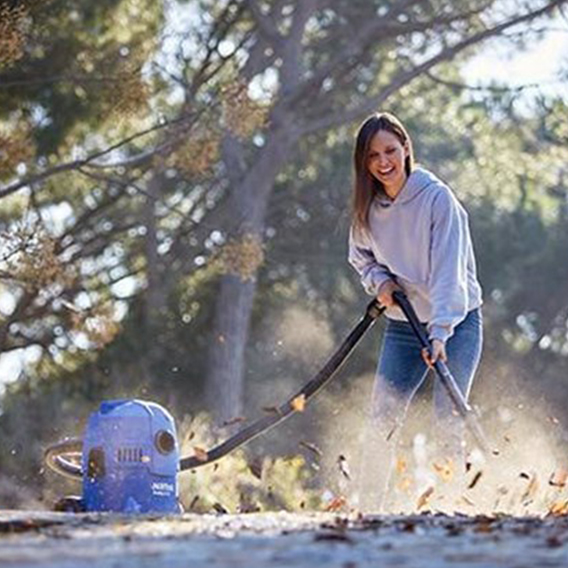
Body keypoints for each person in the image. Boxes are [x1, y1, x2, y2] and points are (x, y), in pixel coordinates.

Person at [348, 111, 483, 512]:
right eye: (373, 156)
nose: (383, 162)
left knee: (448, 416)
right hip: (404, 325)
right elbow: (360, 258)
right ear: (364, 162)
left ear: (406, 149)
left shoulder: (438, 200)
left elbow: (448, 274)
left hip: (456, 322)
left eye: (390, 150)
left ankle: (454, 505)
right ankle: (370, 509)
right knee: (382, 418)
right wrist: (381, 283)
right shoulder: (367, 208)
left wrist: (440, 332)